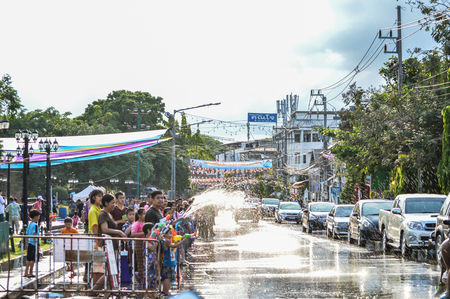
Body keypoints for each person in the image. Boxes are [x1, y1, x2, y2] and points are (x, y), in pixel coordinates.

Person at [89, 194, 126, 295]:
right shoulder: (103, 214)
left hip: (112, 246)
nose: (114, 205)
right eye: (112, 203)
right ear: (106, 203)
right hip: (107, 246)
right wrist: (119, 232)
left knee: (110, 272)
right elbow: (104, 229)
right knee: (109, 272)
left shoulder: (109, 214)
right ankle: (92, 291)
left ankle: (106, 294)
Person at [161, 226, 190, 296]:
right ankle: (166, 292)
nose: (171, 235)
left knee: (168, 277)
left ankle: (165, 291)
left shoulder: (166, 240)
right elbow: (174, 246)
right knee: (169, 277)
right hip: (168, 262)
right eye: (170, 234)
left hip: (170, 261)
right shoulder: (166, 241)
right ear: (165, 234)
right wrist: (183, 241)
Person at [143, 222, 161, 297]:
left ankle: (153, 295)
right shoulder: (145, 240)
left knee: (153, 281)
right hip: (148, 264)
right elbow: (152, 248)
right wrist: (158, 241)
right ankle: (146, 296)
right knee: (147, 281)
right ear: (148, 231)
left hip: (153, 263)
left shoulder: (153, 240)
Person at [24, 209, 41, 278]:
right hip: (34, 243)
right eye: (38, 216)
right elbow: (34, 234)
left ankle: (26, 272)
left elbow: (26, 234)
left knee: (28, 258)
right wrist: (36, 243)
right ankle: (31, 272)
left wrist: (26, 244)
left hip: (29, 243)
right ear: (36, 217)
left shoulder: (29, 224)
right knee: (33, 259)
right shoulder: (35, 225)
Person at [132, 208, 146, 283]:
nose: (145, 215)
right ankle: (141, 277)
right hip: (139, 243)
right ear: (139, 215)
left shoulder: (146, 223)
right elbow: (133, 234)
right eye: (143, 213)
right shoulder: (136, 224)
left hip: (146, 243)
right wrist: (144, 233)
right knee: (140, 260)